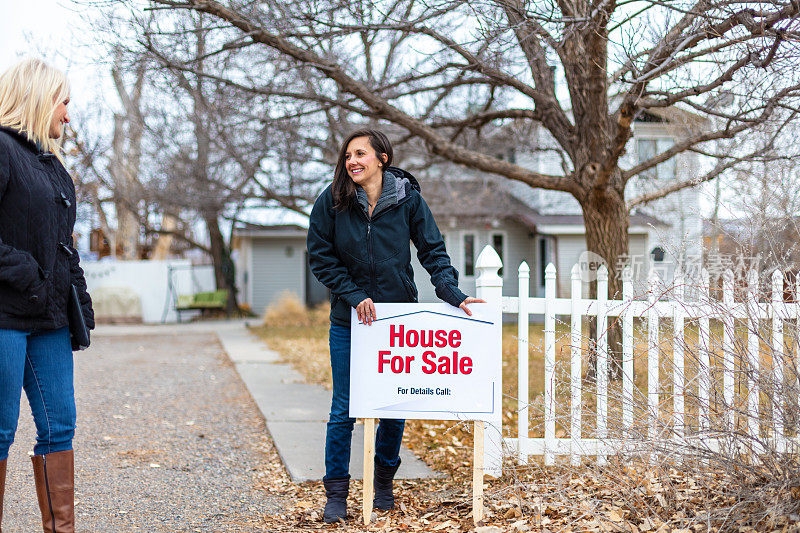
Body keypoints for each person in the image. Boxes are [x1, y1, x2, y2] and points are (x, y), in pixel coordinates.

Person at [307, 129, 482, 523]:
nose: (352, 161)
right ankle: (336, 494)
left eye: (360, 154)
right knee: (344, 409)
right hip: (349, 321)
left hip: (397, 321)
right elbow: (321, 258)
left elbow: (432, 251)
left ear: (382, 158)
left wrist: (452, 292)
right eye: (347, 155)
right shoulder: (332, 202)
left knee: (393, 406)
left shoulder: (408, 200)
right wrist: (353, 295)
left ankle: (383, 481)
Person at [0, 58, 94, 533]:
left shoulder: (53, 165)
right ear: (39, 97)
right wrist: (30, 274)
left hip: (50, 321)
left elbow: (64, 243)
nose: (68, 115)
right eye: (64, 102)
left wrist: (78, 293)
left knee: (60, 426)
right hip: (4, 316)